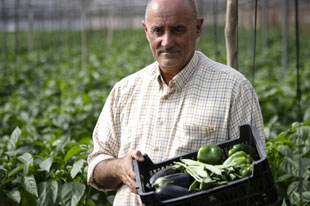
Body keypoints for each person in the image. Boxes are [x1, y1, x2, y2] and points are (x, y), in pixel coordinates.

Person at [87, 0, 266, 205]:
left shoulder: (234, 88)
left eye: (178, 30)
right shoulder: (124, 91)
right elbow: (96, 166)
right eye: (158, 31)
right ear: (146, 30)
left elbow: (255, 174)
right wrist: (119, 167)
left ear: (198, 28)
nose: (167, 41)